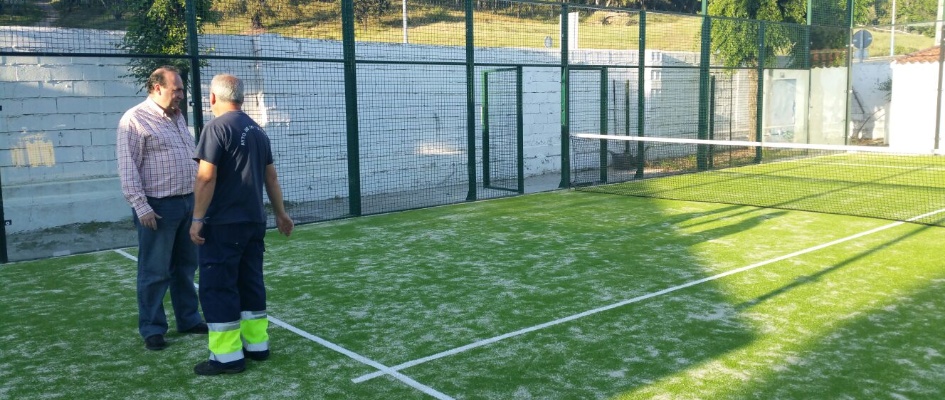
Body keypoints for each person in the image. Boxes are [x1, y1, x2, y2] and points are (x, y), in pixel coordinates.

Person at [190, 73, 294, 375]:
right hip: (253, 222)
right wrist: (281, 214)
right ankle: (257, 347)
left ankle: (227, 358)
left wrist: (197, 218)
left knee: (218, 287)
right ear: (241, 98)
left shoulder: (216, 128)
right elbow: (271, 177)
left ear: (212, 98)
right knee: (250, 283)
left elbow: (206, 177)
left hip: (223, 224)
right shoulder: (258, 131)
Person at [117, 66, 208, 351]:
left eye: (182, 89)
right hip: (157, 207)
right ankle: (153, 329)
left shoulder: (178, 117)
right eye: (176, 89)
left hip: (187, 203)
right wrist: (140, 206)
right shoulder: (134, 119)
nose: (181, 95)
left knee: (185, 267)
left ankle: (189, 319)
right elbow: (127, 166)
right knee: (154, 271)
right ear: (157, 88)